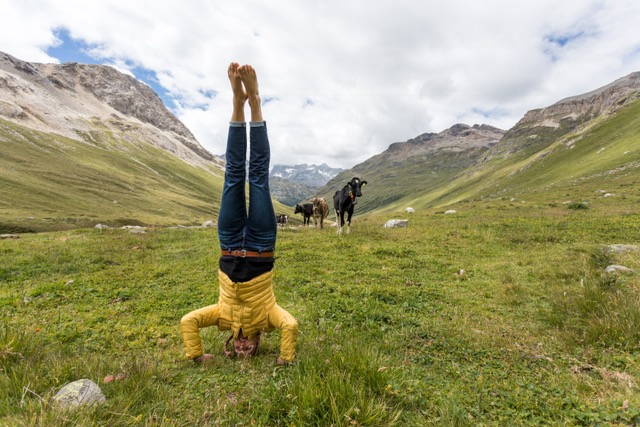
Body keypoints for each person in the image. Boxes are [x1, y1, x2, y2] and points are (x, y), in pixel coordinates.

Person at [180, 63, 298, 366]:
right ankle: (255, 102)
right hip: (261, 244)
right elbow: (291, 325)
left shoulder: (220, 318)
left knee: (232, 174)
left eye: (239, 350)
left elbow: (188, 321)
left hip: (229, 240)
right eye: (251, 350)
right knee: (258, 176)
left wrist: (196, 355)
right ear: (259, 343)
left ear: (230, 344)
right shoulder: (270, 320)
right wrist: (285, 358)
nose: (244, 347)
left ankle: (236, 102)